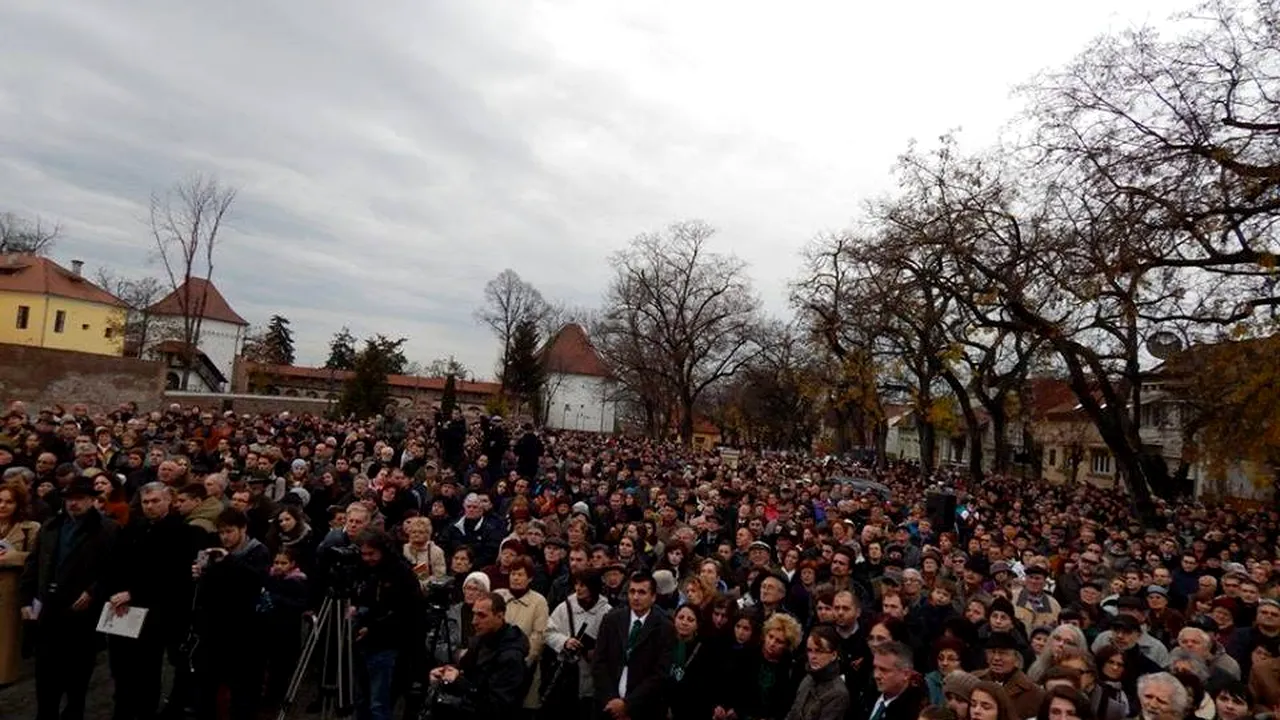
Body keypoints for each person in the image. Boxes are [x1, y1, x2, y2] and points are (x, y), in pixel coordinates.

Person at [20, 474, 119, 720]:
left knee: (77, 677)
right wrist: (26, 600)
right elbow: (34, 566)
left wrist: (94, 591)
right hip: (48, 607)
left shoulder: (108, 529)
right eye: (69, 499)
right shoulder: (51, 527)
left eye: (80, 499)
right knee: (45, 676)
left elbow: (114, 569)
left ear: (91, 500)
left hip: (81, 612)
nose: (73, 504)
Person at [105, 481, 206, 720]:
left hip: (155, 613)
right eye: (146, 502)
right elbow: (115, 563)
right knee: (121, 669)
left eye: (155, 501)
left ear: (169, 501)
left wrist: (134, 592)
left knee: (146, 670)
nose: (150, 506)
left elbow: (174, 574)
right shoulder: (132, 528)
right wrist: (115, 591)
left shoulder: (184, 532)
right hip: (122, 607)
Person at [189, 507, 271, 720]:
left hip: (244, 633)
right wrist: (201, 574)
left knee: (243, 692)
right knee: (206, 688)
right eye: (222, 532)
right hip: (214, 631)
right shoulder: (216, 552)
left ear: (242, 529)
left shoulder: (258, 551)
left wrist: (228, 562)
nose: (225, 537)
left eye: (229, 532)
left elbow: (253, 583)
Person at [351, 528, 423, 720]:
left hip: (386, 645)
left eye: (371, 554)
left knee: (379, 703)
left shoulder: (401, 573)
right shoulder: (363, 571)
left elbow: (406, 613)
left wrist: (373, 628)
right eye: (363, 554)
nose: (367, 559)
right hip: (362, 643)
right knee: (361, 700)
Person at [429, 592, 529, 720]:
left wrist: (459, 682)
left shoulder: (511, 656)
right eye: (474, 614)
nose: (474, 621)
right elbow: (464, 670)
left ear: (500, 616)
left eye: (481, 615)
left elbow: (498, 707)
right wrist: (444, 673)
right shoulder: (481, 639)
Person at [592, 572, 678, 720]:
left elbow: (660, 673)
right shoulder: (611, 620)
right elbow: (599, 661)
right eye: (632, 591)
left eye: (642, 592)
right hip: (608, 706)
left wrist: (627, 705)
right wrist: (612, 702)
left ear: (653, 597)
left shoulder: (665, 628)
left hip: (645, 709)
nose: (635, 597)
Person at [545, 569, 613, 719]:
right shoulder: (565, 607)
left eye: (583, 585)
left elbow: (614, 644)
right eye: (576, 584)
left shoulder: (607, 612)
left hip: (593, 676)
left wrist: (596, 651)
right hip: (568, 674)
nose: (578, 588)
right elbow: (548, 631)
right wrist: (565, 642)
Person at [0, 478, 41, 686]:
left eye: (9, 502)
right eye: (0, 501)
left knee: (8, 635)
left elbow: (39, 558)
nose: (3, 505)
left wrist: (14, 557)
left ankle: (5, 676)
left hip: (12, 587)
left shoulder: (30, 528)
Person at [787, 623, 850, 720]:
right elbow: (793, 713)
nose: (813, 657)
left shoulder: (838, 693)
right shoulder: (808, 678)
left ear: (833, 655)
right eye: (809, 650)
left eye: (819, 651)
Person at [861, 641, 926, 720]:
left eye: (883, 670)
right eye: (875, 667)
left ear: (906, 674)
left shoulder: (917, 712)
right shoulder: (865, 696)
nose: (876, 675)